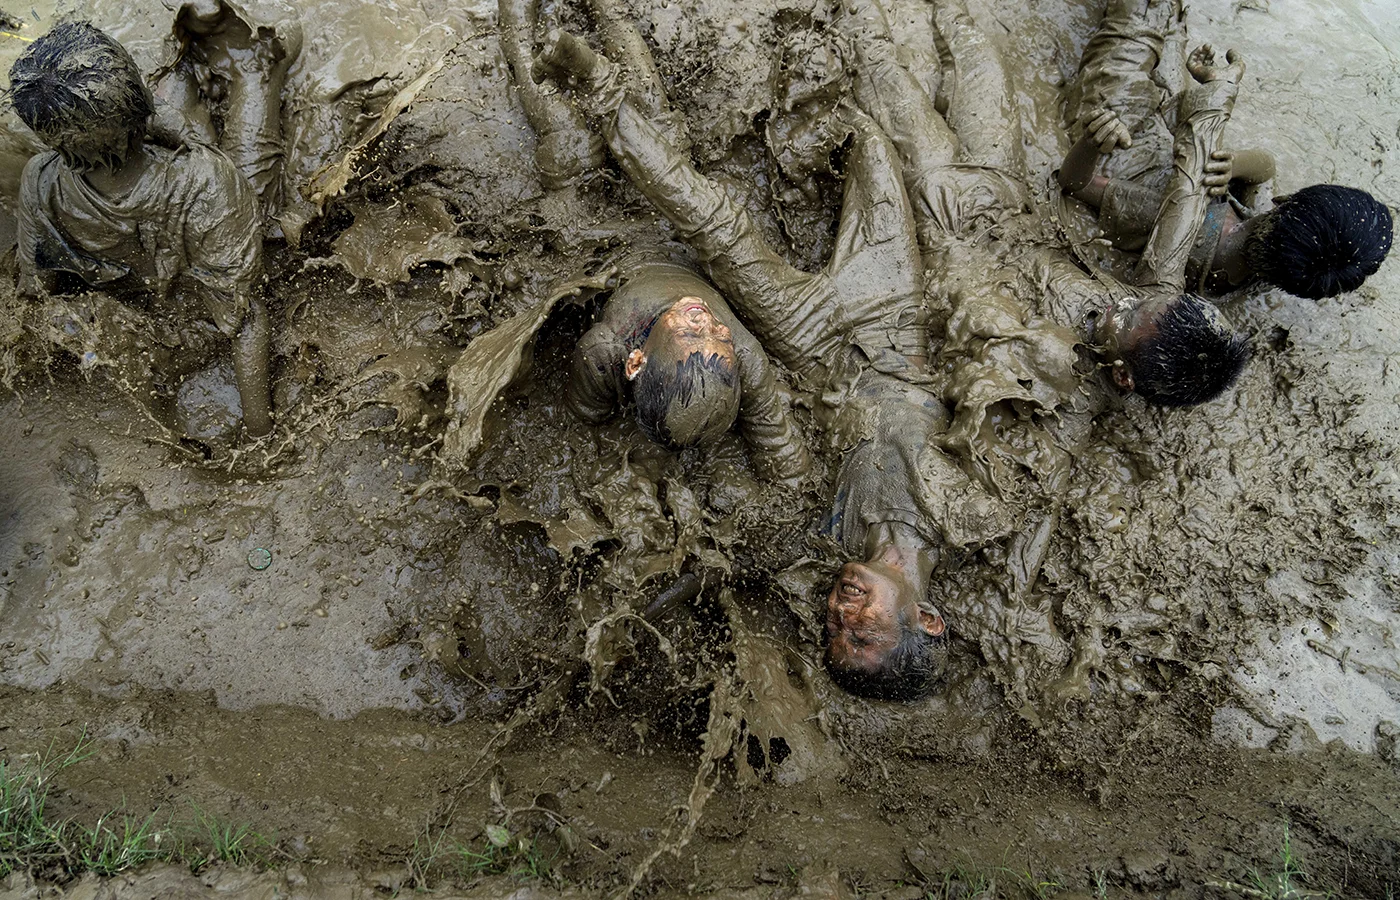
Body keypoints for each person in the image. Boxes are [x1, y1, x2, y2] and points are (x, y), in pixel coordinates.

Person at [535, 15, 1012, 700]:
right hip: (894, 309)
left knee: (717, 225)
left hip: (808, 339)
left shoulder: (822, 538)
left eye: (833, 631)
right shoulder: (975, 516)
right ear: (927, 619)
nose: (843, 613)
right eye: (866, 630)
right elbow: (1001, 391)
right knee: (866, 140)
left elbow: (721, 546)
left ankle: (598, 83)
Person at [10, 21, 273, 437]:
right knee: (254, 119)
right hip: (200, 281)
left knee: (186, 113)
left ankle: (189, 60)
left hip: (144, 321)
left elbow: (36, 292)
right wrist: (261, 434)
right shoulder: (207, 179)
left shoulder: (39, 181)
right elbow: (244, 317)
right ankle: (256, 58)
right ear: (139, 103)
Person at [1059, 0, 1393, 299]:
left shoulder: (1164, 216)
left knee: (1137, 31)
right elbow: (1266, 168)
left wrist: (1092, 142)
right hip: (1179, 133)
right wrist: (1235, 166)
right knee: (1171, 26)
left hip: (1125, 134)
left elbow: (1074, 183)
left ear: (1284, 201)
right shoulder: (1259, 267)